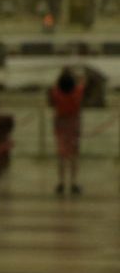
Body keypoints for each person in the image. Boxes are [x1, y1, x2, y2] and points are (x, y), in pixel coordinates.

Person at [49, 67, 85, 195]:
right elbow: (82, 82)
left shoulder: (56, 93)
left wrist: (62, 74)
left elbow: (54, 88)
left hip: (60, 125)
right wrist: (75, 75)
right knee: (74, 156)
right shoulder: (77, 93)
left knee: (61, 156)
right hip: (73, 126)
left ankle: (61, 183)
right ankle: (74, 183)